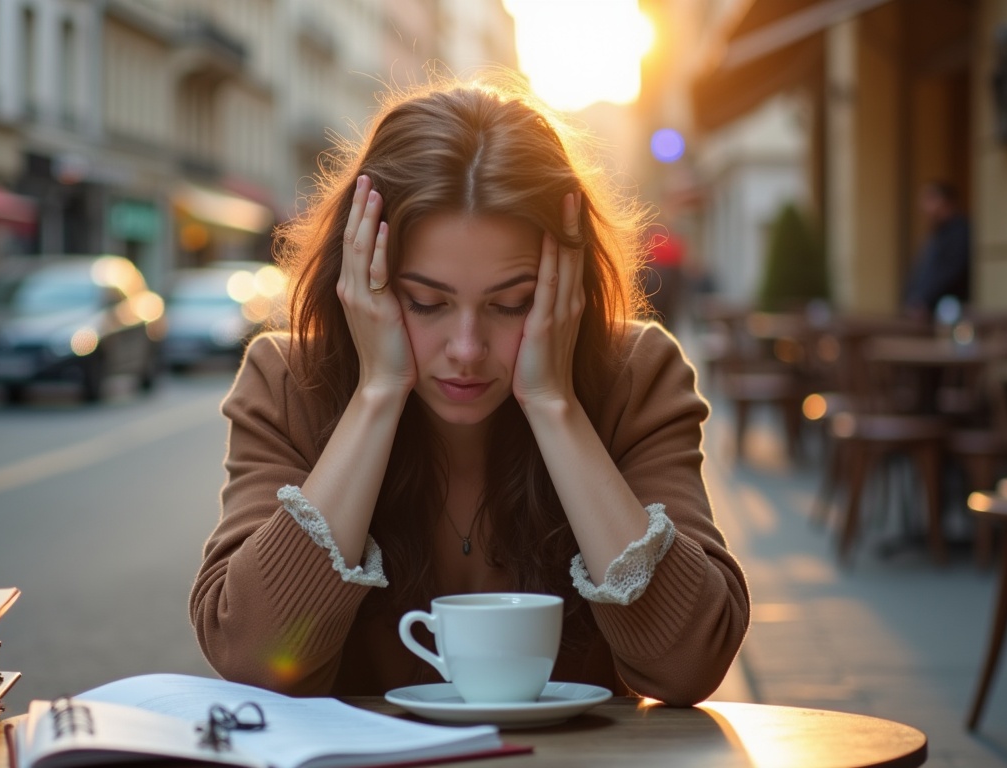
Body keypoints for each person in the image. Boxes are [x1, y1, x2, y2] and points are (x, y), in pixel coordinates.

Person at [189, 79, 749, 707]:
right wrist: (377, 394)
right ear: (359, 280)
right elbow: (256, 658)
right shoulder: (288, 382)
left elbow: (688, 664)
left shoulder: (637, 376)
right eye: (425, 302)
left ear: (566, 289)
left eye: (511, 304)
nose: (466, 347)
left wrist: (555, 405)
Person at [903, 180, 971, 319]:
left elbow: (951, 271)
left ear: (945, 202)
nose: (923, 207)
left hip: (948, 313)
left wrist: (925, 299)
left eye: (929, 199)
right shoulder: (937, 234)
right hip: (927, 312)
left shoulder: (960, 232)